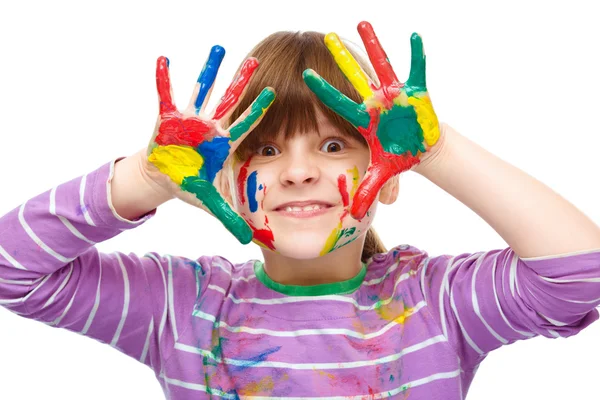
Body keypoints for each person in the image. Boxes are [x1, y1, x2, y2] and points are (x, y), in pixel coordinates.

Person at [1, 21, 600, 399]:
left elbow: (582, 277)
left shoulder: (434, 302)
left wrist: (439, 151)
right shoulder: (179, 305)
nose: (297, 171)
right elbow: (12, 270)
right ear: (228, 182)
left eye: (334, 145)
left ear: (389, 175)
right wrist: (146, 176)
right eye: (264, 148)